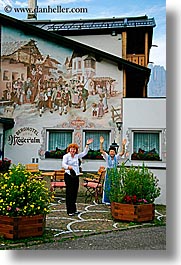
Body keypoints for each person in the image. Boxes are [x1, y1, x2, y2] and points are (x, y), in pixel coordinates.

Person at [62, 138, 93, 216]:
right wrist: (68, 167)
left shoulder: (77, 156)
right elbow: (63, 164)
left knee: (75, 192)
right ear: (69, 150)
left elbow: (84, 153)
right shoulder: (66, 156)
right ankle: (69, 210)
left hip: (75, 176)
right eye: (71, 149)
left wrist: (87, 145)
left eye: (74, 149)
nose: (73, 151)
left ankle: (74, 209)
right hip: (68, 176)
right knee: (69, 193)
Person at [100, 136, 127, 205]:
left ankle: (114, 199)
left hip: (114, 172)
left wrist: (123, 145)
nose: (112, 153)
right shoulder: (107, 157)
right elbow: (101, 151)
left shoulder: (116, 157)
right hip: (109, 172)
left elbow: (122, 153)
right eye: (110, 151)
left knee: (115, 185)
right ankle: (107, 200)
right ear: (109, 152)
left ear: (115, 152)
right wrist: (101, 143)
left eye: (113, 151)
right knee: (108, 186)